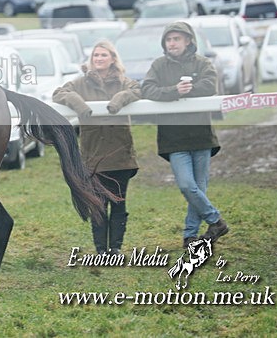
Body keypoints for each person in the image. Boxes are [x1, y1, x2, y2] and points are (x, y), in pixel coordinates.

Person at [141, 21, 228, 249]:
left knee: (198, 189)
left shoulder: (203, 63)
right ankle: (216, 221)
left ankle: (190, 236)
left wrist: (188, 90)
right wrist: (173, 92)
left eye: (176, 39)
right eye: (169, 40)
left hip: (202, 137)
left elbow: (210, 85)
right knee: (187, 186)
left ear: (188, 40)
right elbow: (147, 89)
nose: (172, 43)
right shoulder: (158, 66)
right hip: (173, 139)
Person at [53, 40, 141, 255]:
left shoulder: (124, 82)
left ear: (113, 58)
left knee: (119, 203)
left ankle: (116, 249)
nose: (99, 59)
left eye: (103, 55)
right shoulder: (80, 83)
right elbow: (58, 93)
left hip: (120, 152)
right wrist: (77, 103)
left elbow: (138, 90)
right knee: (98, 204)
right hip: (92, 154)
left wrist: (119, 100)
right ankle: (101, 250)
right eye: (95, 56)